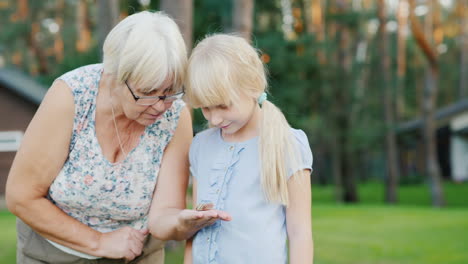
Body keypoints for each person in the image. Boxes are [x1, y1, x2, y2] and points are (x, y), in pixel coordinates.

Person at [6, 11, 230, 264]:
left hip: (135, 254)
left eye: (169, 91)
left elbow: (164, 213)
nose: (159, 106)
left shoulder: (175, 115)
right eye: (147, 92)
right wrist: (99, 242)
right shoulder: (72, 96)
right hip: (53, 253)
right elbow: (21, 196)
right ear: (113, 76)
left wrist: (181, 222)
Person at [183, 34, 314, 264]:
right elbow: (195, 231)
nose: (214, 119)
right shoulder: (201, 146)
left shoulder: (288, 144)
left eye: (223, 105)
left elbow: (300, 234)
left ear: (253, 85)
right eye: (205, 108)